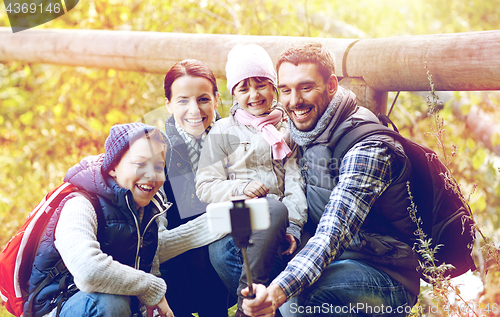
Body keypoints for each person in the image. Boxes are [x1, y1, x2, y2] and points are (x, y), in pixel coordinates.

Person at [241, 42, 420, 317]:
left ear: (332, 85)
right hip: (334, 259)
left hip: (385, 275)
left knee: (296, 301)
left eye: (306, 87)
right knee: (233, 258)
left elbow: (331, 235)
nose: (294, 101)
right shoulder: (302, 130)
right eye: (286, 90)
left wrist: (277, 292)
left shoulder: (368, 148)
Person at [195, 44, 307, 316]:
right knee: (221, 254)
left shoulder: (289, 128)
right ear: (234, 94)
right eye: (244, 89)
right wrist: (241, 188)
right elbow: (205, 185)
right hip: (238, 218)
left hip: (277, 223)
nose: (254, 95)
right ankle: (253, 308)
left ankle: (248, 309)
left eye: (261, 85)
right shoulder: (223, 130)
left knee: (276, 207)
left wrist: (293, 225)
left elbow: (295, 182)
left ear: (274, 88)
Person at [25, 122, 174, 317]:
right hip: (60, 305)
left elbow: (149, 271)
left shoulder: (146, 212)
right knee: (110, 303)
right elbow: (88, 272)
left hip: (113, 303)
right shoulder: (81, 205)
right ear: (113, 167)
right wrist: (150, 288)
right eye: (140, 164)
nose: (151, 175)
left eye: (158, 166)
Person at [157, 59, 231, 317]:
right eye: (182, 100)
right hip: (176, 249)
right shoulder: (158, 149)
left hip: (228, 239)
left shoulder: (233, 136)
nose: (194, 110)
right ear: (168, 104)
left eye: (202, 99)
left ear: (216, 99)